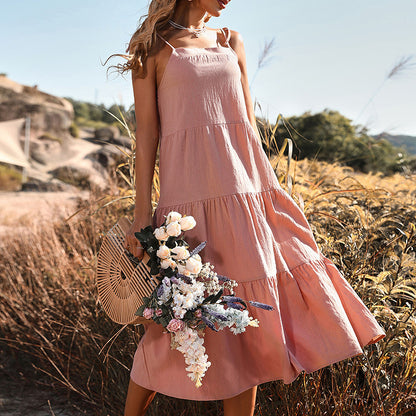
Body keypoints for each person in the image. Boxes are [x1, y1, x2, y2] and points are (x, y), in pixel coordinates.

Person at [108, 0, 386, 415]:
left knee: (245, 320)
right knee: (169, 322)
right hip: (189, 206)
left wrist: (270, 195)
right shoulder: (153, 46)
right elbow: (146, 136)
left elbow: (248, 128)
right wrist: (142, 215)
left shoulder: (231, 40)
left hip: (245, 194)